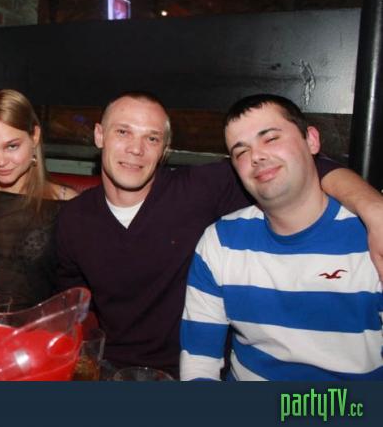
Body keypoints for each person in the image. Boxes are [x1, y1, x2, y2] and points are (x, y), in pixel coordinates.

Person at [55, 91, 383, 379]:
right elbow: (71, 309)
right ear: (99, 135)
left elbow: (300, 167)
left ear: (165, 149)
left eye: (152, 138)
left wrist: (372, 206)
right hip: (110, 371)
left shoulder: (198, 190)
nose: (136, 149)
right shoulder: (73, 219)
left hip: (187, 371)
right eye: (123, 132)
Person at [180, 94, 383, 381]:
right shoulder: (220, 242)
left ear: (311, 141)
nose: (256, 156)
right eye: (241, 152)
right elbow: (200, 362)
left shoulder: (372, 236)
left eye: (271, 138)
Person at [0, 89, 78, 309]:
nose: (1, 161)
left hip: (37, 327)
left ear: (34, 136)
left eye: (12, 146)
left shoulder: (67, 205)